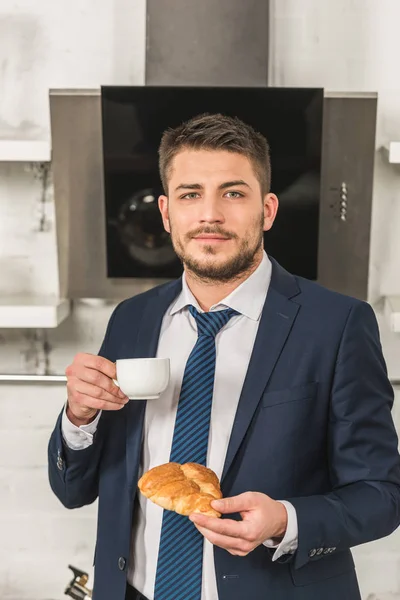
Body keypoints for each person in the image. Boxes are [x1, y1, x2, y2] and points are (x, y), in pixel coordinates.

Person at [48, 113, 400, 600]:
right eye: (191, 194)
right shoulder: (131, 320)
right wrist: (79, 417)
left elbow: (380, 494)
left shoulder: (338, 325)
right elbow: (74, 490)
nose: (210, 214)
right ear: (168, 213)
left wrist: (286, 521)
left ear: (268, 210)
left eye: (233, 193)